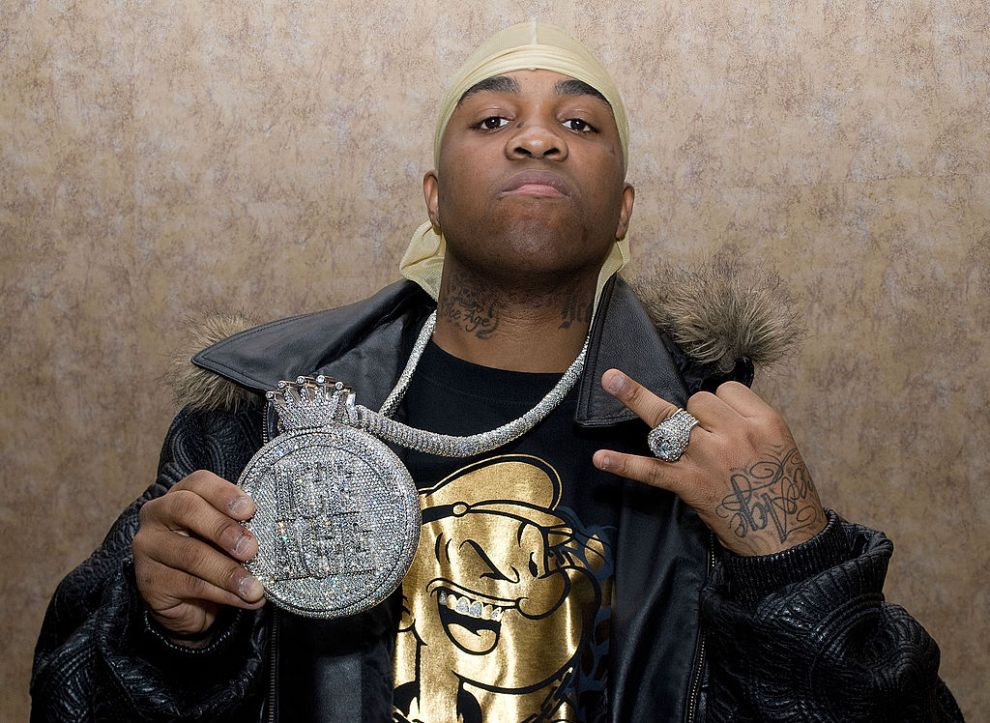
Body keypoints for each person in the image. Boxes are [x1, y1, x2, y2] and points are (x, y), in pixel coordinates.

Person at [32, 22, 962, 722]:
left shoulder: (714, 439)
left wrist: (796, 564)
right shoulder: (258, 422)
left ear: (623, 209)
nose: (537, 139)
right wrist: (166, 636)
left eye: (578, 122)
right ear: (434, 200)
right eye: (492, 118)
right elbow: (69, 698)